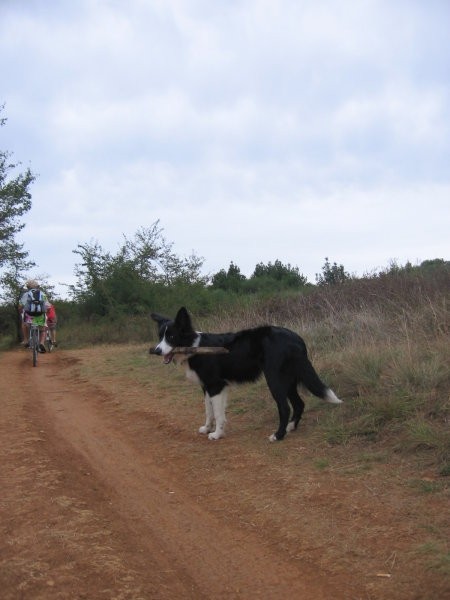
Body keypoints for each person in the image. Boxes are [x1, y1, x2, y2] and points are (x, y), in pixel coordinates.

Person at [18, 280, 51, 353]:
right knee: (43, 330)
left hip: (29, 315)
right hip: (40, 315)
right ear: (38, 287)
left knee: (24, 324)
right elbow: (48, 306)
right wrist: (46, 312)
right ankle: (42, 343)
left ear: (28, 287)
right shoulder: (42, 294)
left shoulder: (26, 294)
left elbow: (20, 306)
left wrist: (21, 312)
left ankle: (26, 340)